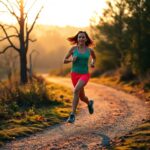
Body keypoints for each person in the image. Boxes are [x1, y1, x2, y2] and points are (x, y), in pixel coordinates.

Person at [63, 31, 96, 123]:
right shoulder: (73, 49)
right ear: (77, 39)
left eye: (83, 37)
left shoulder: (90, 50)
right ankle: (89, 103)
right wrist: (71, 59)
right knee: (81, 97)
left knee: (76, 90)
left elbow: (94, 57)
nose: (81, 39)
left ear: (86, 39)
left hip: (84, 74)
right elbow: (64, 60)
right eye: (79, 37)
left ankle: (72, 115)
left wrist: (92, 63)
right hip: (74, 74)